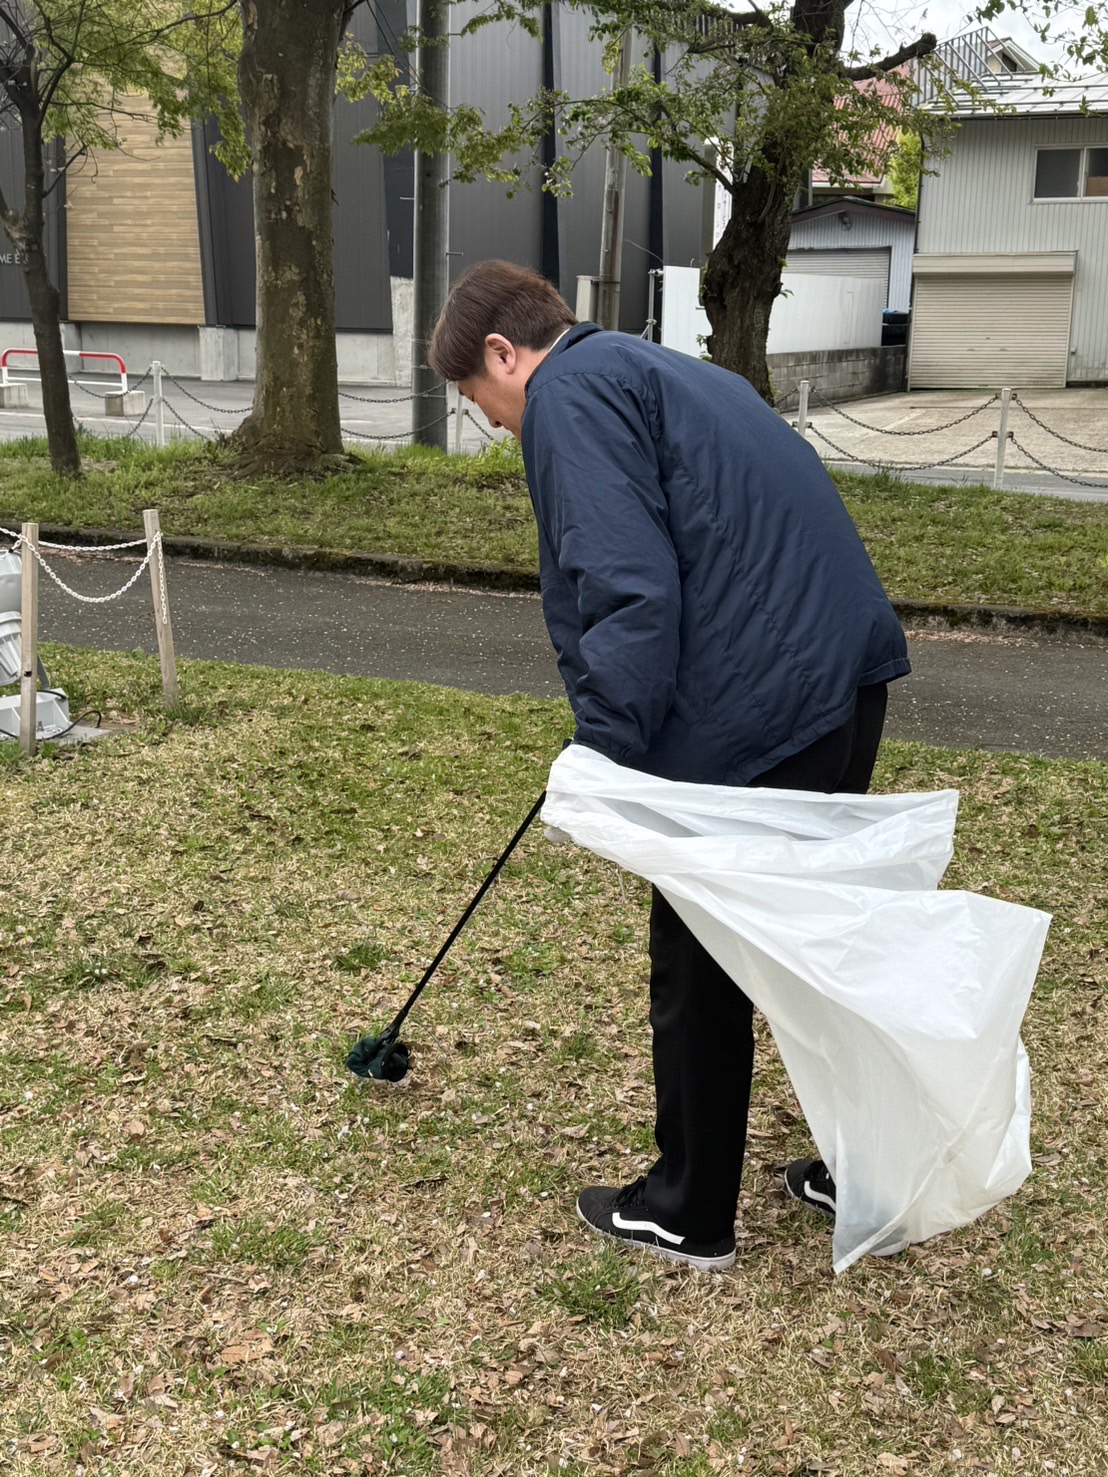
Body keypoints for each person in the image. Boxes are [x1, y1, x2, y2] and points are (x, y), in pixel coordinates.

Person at [429, 259, 911, 1272]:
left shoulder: (569, 396)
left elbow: (628, 589)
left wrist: (600, 751)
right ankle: (873, 1172)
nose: (494, 425)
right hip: (840, 683)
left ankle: (689, 1209)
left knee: (697, 962)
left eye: (480, 402)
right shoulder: (656, 368)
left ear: (504, 354)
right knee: (808, 947)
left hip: (764, 713)